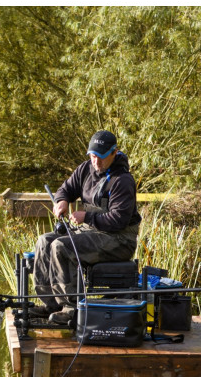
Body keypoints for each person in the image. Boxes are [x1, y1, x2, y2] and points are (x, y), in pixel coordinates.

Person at [31, 130, 141, 325]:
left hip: (119, 239)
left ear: (114, 153)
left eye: (101, 157)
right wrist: (62, 201)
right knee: (44, 241)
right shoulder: (85, 169)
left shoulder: (122, 181)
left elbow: (118, 220)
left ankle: (72, 308)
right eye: (92, 156)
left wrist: (87, 217)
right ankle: (51, 304)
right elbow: (66, 189)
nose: (96, 162)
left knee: (62, 247)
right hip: (91, 232)